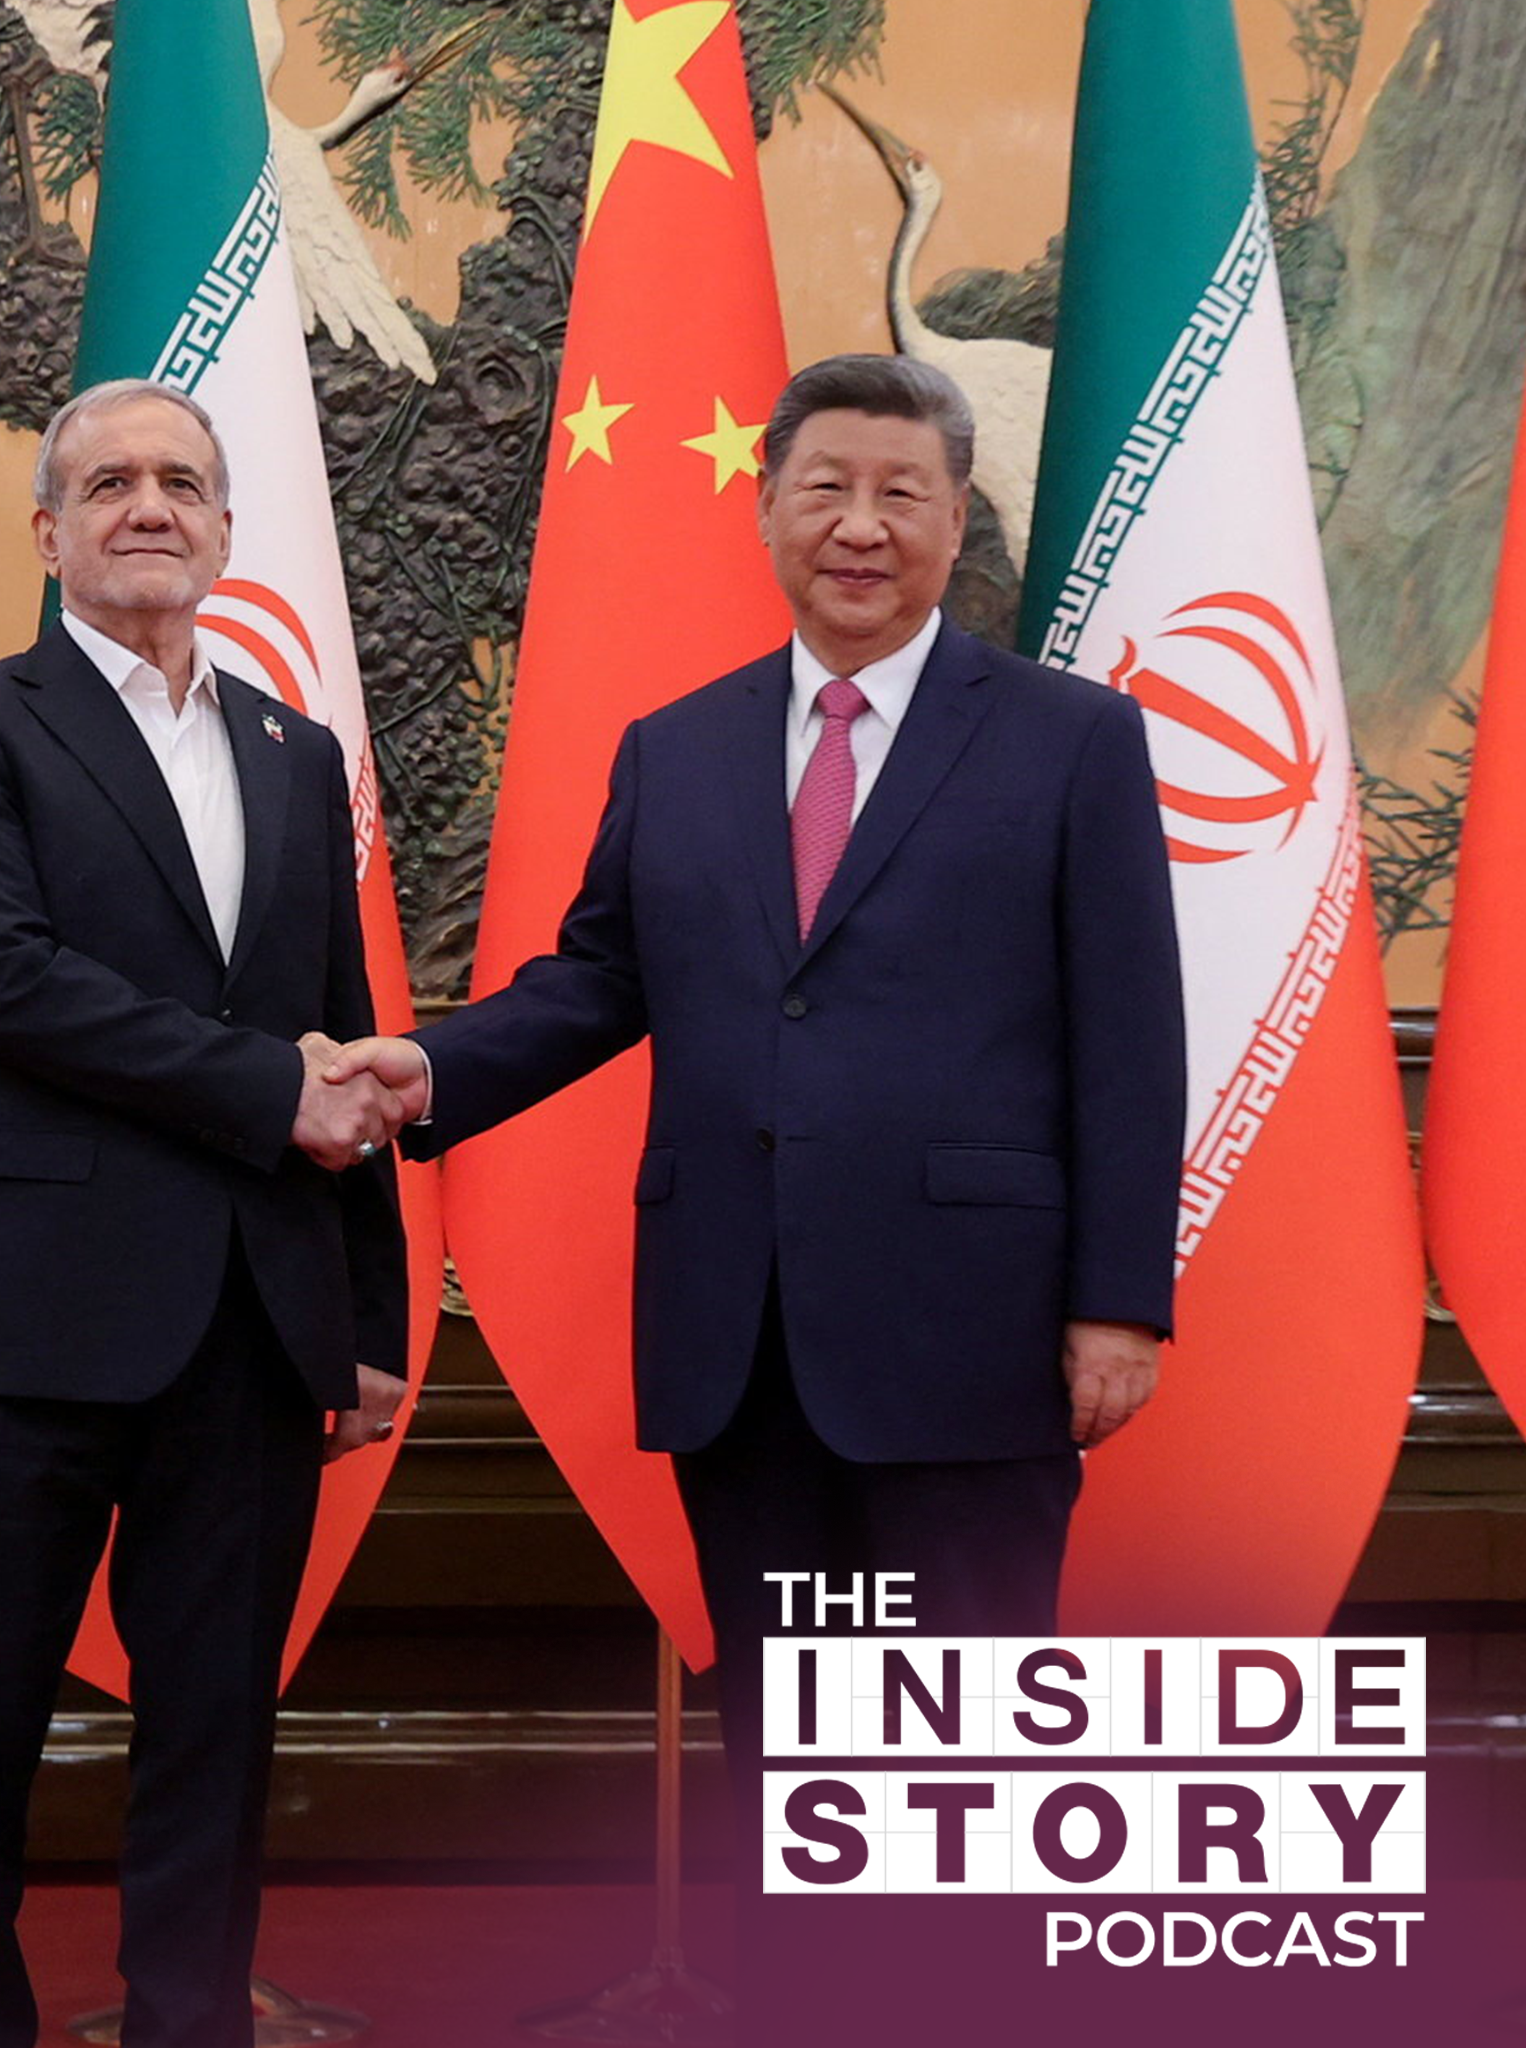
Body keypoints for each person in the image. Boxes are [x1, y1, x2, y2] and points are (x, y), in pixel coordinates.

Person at [328, 353, 1186, 1796]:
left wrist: (1119, 1303)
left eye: (900, 493)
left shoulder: (1072, 740)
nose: (860, 525)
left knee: (965, 1747)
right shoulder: (679, 749)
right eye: (825, 489)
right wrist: (422, 1066)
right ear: (768, 510)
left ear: (956, 519)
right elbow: (598, 981)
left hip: (971, 1338)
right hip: (740, 1335)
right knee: (786, 1750)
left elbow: (1132, 1034)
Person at [0, 377, 408, 2048]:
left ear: (227, 529)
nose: (149, 505)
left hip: (251, 1324)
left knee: (215, 1738)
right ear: (50, 535)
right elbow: (4, 980)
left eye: (181, 481)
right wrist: (266, 1091)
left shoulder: (296, 754)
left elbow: (338, 1028)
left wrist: (369, 1319)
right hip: (14, 1319)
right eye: (108, 484)